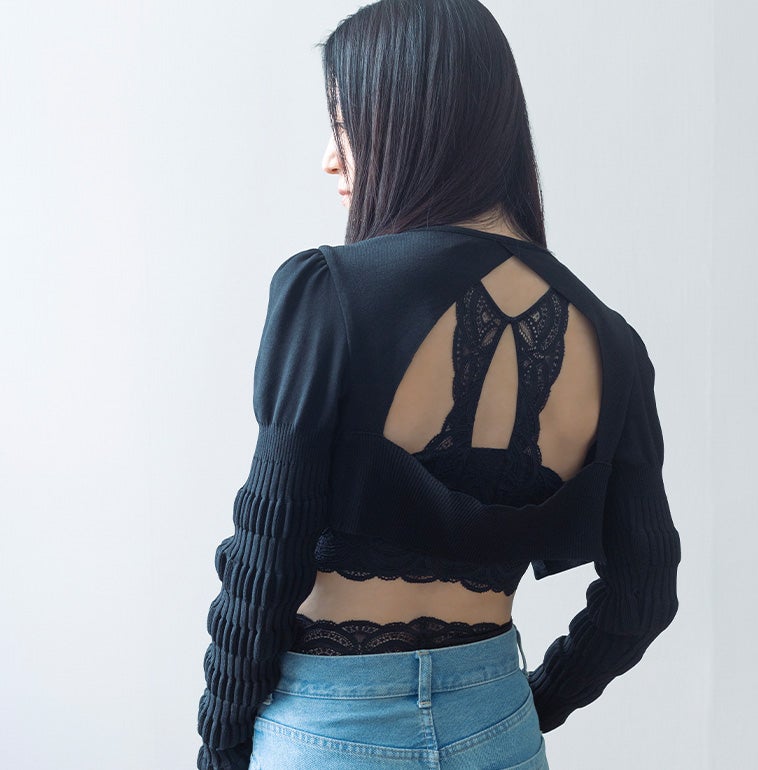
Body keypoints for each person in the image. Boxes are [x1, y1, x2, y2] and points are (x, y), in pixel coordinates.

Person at [196, 1, 682, 768]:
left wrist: (220, 751)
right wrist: (522, 706)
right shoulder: (611, 339)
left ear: (409, 122)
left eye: (345, 125)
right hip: (499, 728)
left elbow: (264, 567)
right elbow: (645, 592)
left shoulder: (328, 291)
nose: (330, 158)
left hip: (332, 729)